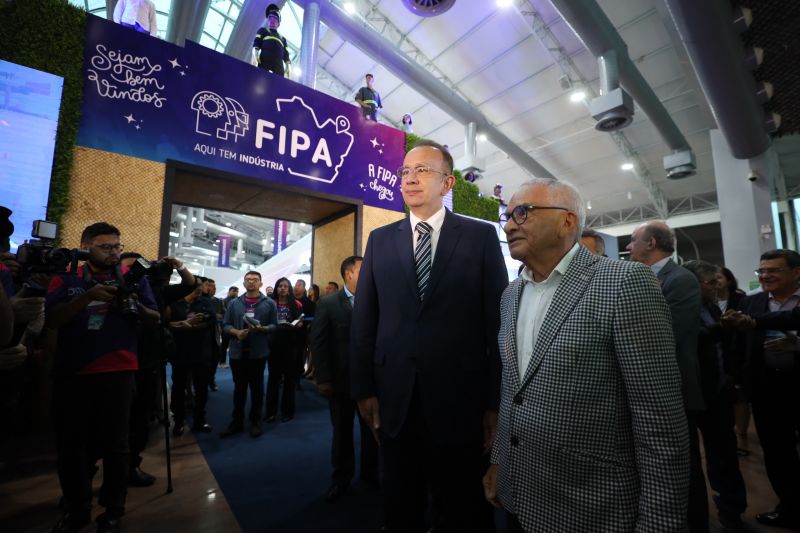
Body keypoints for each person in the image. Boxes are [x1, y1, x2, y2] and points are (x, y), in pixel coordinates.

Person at [483, 180, 689, 532]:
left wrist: (660, 521)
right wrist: (500, 461)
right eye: (507, 215)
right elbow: (511, 392)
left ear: (567, 221)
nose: (510, 224)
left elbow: (660, 421)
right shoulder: (511, 294)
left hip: (593, 505)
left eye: (523, 212)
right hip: (521, 493)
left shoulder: (625, 283)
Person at [351, 139, 508, 532]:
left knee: (462, 509)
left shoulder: (480, 237)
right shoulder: (380, 241)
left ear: (448, 182)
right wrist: (363, 388)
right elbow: (365, 320)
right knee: (399, 504)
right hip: (394, 398)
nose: (410, 178)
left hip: (460, 402)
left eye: (422, 170)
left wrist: (494, 401)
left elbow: (498, 324)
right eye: (405, 171)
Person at [46, 222, 159, 533]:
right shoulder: (66, 278)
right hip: (73, 371)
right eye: (106, 247)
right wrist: (88, 296)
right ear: (86, 247)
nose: (113, 253)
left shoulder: (134, 280)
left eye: (117, 247)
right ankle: (77, 508)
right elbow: (54, 320)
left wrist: (132, 303)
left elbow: (155, 317)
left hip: (120, 370)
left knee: (117, 445)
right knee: (72, 445)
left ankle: (113, 510)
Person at [627, 220, 706, 532]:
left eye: (634, 240)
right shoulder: (640, 278)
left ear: (652, 243)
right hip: (647, 392)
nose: (629, 246)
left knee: (683, 469)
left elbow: (666, 337)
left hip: (675, 391)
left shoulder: (680, 279)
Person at [729, 249, 800, 530]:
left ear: (796, 272)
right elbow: (738, 343)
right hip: (766, 389)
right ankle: (792, 509)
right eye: (762, 271)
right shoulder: (752, 302)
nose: (766, 276)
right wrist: (739, 379)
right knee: (778, 453)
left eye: (774, 270)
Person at [683, 260, 747, 531]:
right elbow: (691, 338)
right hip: (695, 394)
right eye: (710, 283)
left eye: (717, 282)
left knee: (724, 454)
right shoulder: (682, 307)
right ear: (694, 284)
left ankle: (731, 510)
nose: (715, 288)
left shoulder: (710, 306)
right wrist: (722, 328)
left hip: (718, 393)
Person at [311, 256, 378, 503]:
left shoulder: (375, 300)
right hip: (340, 383)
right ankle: (341, 478)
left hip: (371, 383)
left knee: (372, 430)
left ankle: (371, 474)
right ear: (348, 274)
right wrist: (323, 379)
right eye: (363, 269)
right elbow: (318, 343)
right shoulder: (328, 303)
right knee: (342, 432)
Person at [220, 271, 278, 438]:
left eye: (255, 280)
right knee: (239, 389)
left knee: (257, 389)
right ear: (244, 284)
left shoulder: (269, 303)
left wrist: (264, 329)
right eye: (248, 280)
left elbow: (275, 325)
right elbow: (225, 325)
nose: (251, 282)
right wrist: (236, 332)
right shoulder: (234, 303)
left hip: (258, 353)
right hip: (237, 353)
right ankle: (237, 421)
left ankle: (255, 421)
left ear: (260, 283)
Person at [166, 284, 215, 436]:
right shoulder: (174, 303)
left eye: (201, 286)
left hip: (201, 353)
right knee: (178, 388)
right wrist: (186, 324)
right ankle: (179, 421)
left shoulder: (205, 302)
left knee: (201, 389)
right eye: (197, 286)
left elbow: (211, 321)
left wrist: (192, 326)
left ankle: (200, 420)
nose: (201, 288)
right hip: (180, 353)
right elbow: (167, 325)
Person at [265, 277, 303, 423]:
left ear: (289, 289)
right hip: (273, 344)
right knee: (273, 379)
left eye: (285, 286)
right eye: (280, 286)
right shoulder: (270, 303)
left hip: (290, 344)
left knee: (289, 380)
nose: (282, 288)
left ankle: (288, 411)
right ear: (276, 288)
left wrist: (298, 325)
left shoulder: (297, 304)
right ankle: (271, 412)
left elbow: (300, 321)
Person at [252, 4, 290, 77]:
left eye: (275, 19)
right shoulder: (263, 30)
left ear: (278, 23)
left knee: (277, 86)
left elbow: (286, 56)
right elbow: (256, 44)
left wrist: (288, 67)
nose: (272, 21)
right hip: (264, 65)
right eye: (270, 19)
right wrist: (255, 57)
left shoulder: (283, 39)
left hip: (279, 70)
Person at [219, 286, 239, 369]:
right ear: (229, 291)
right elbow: (222, 315)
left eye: (236, 291)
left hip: (236, 326)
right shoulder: (223, 301)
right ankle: (222, 362)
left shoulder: (239, 302)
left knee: (236, 345)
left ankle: (236, 362)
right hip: (226, 326)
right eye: (233, 291)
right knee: (224, 345)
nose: (235, 292)